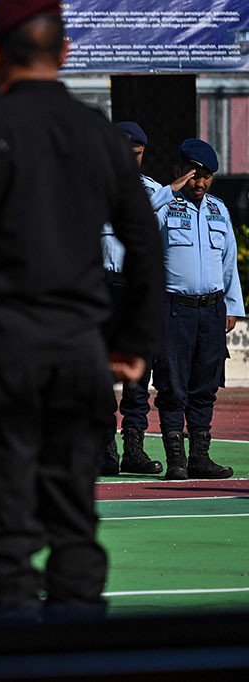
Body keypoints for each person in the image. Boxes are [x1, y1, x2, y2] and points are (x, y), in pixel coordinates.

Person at [0, 1, 163, 624]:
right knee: (73, 515)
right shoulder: (95, 131)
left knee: (2, 529)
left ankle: (12, 659)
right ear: (62, 54)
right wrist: (133, 341)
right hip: (79, 349)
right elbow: (144, 241)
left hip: (3, 352)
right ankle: (77, 653)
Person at [153, 138, 245, 480]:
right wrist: (168, 190)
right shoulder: (163, 206)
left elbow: (228, 262)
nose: (200, 183)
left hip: (211, 310)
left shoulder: (218, 209)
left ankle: (199, 458)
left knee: (205, 386)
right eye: (194, 175)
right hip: (174, 309)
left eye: (206, 176)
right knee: (172, 385)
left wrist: (232, 306)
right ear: (179, 172)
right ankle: (176, 459)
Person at [99, 121, 186, 476]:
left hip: (135, 289)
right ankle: (105, 448)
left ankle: (133, 446)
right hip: (101, 289)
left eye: (135, 154)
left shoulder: (153, 190)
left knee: (139, 372)